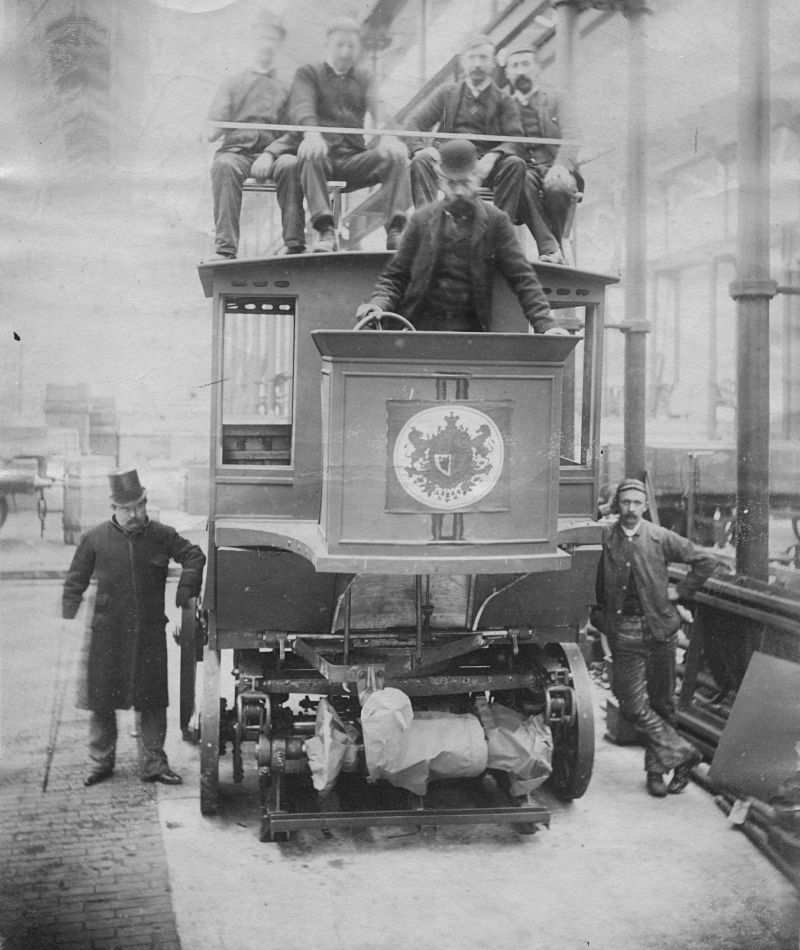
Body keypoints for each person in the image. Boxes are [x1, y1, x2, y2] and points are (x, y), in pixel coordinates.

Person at [62, 469, 206, 787]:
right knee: (101, 701)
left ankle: (154, 764)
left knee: (152, 700)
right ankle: (101, 763)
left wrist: (187, 588)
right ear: (113, 508)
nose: (134, 514)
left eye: (139, 506)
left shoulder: (163, 535)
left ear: (145, 503)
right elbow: (76, 579)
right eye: (127, 508)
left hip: (149, 632)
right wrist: (68, 611)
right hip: (107, 633)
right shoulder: (94, 538)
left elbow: (195, 556)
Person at [592, 479, 722, 798]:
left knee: (662, 702)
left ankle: (656, 773)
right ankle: (685, 753)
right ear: (616, 505)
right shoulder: (605, 536)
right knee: (632, 703)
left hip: (661, 630)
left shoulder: (659, 537)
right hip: (624, 630)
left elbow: (705, 560)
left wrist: (682, 591)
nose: (631, 508)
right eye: (625, 502)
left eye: (637, 502)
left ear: (645, 506)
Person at [356, 140, 565, 334]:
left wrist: (546, 324)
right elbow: (396, 276)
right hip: (419, 328)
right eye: (452, 184)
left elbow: (523, 279)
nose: (458, 191)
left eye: (464, 183)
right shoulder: (420, 220)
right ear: (441, 180)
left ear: (476, 177)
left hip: (470, 332)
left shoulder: (496, 222)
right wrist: (378, 304)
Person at [288, 17, 411, 252]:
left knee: (395, 158)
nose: (345, 52)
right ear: (327, 45)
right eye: (340, 45)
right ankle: (326, 231)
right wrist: (311, 133)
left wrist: (388, 136)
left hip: (354, 158)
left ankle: (396, 230)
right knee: (308, 154)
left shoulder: (364, 77)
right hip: (322, 158)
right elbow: (301, 106)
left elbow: (378, 106)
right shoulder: (308, 73)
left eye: (352, 46)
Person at [207, 12, 305, 258]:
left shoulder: (287, 85)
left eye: (272, 38)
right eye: (261, 37)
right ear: (252, 40)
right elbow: (216, 120)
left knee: (291, 164)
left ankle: (295, 246)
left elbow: (294, 131)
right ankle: (225, 250)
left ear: (279, 44)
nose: (266, 44)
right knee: (224, 166)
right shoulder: (232, 82)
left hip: (274, 155)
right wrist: (212, 128)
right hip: (237, 153)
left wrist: (271, 154)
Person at [405, 34, 526, 223]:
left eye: (483, 58)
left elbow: (516, 139)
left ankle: (500, 232)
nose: (477, 64)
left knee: (515, 164)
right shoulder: (447, 93)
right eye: (472, 58)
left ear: (494, 63)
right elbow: (414, 124)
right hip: (446, 163)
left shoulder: (504, 100)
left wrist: (493, 156)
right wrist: (423, 148)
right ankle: (426, 231)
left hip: (484, 167)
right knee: (420, 160)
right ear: (463, 62)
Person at [503, 38, 584, 265]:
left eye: (526, 64)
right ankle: (552, 250)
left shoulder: (558, 98)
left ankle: (552, 249)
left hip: (554, 166)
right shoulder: (503, 105)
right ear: (508, 73)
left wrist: (561, 165)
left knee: (557, 187)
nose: (521, 71)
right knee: (521, 179)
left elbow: (573, 135)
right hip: (524, 170)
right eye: (515, 66)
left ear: (538, 69)